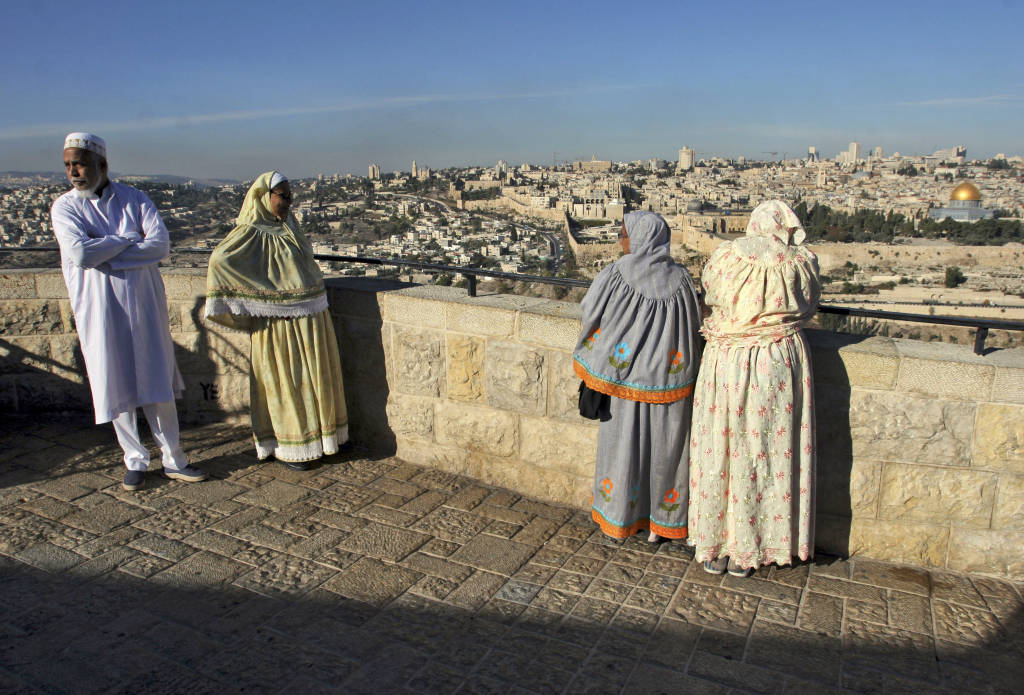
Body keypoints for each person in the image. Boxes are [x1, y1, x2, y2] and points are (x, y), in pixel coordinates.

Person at [51, 132, 207, 491]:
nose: (73, 171)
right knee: (115, 383)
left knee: (157, 385)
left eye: (80, 163)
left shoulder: (135, 199)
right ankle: (134, 459)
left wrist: (104, 251)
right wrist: (126, 240)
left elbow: (159, 246)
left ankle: (174, 457)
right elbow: (80, 255)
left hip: (143, 306)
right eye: (68, 165)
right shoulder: (65, 207)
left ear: (101, 165)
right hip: (99, 309)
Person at [688, 200, 820, 577]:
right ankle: (757, 545)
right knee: (766, 451)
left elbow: (711, 293)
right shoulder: (801, 260)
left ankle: (717, 543)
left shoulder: (728, 255)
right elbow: (809, 305)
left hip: (726, 359)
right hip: (777, 359)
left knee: (721, 448)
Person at [573, 211, 702, 542]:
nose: (621, 239)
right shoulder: (683, 280)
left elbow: (590, 311)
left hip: (624, 384)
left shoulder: (617, 274)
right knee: (666, 455)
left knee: (623, 451)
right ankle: (662, 524)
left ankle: (621, 517)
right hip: (669, 385)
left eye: (624, 233)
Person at [205, 171, 347, 470]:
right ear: (263, 197)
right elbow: (220, 260)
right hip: (278, 326)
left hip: (309, 316)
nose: (287, 202)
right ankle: (290, 446)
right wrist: (261, 297)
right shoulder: (250, 231)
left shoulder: (289, 226)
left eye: (289, 197)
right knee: (287, 383)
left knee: (311, 380)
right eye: (282, 196)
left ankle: (319, 441)